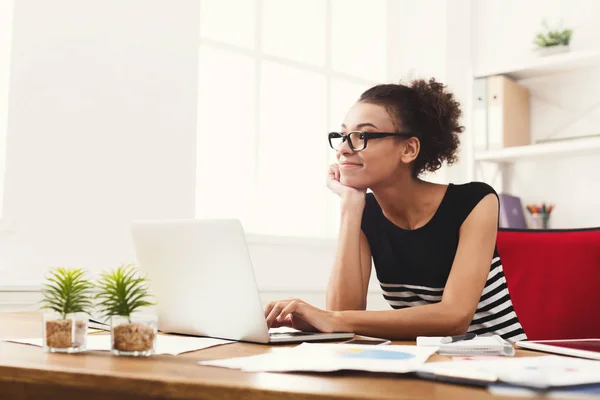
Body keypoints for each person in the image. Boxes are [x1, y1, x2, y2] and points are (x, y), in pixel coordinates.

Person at [264, 78, 527, 343]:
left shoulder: (475, 201)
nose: (343, 149)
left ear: (408, 149)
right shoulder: (365, 214)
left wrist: (332, 319)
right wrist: (350, 205)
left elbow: (454, 319)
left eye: (362, 136)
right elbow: (342, 316)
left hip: (504, 358)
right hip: (427, 361)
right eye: (343, 136)